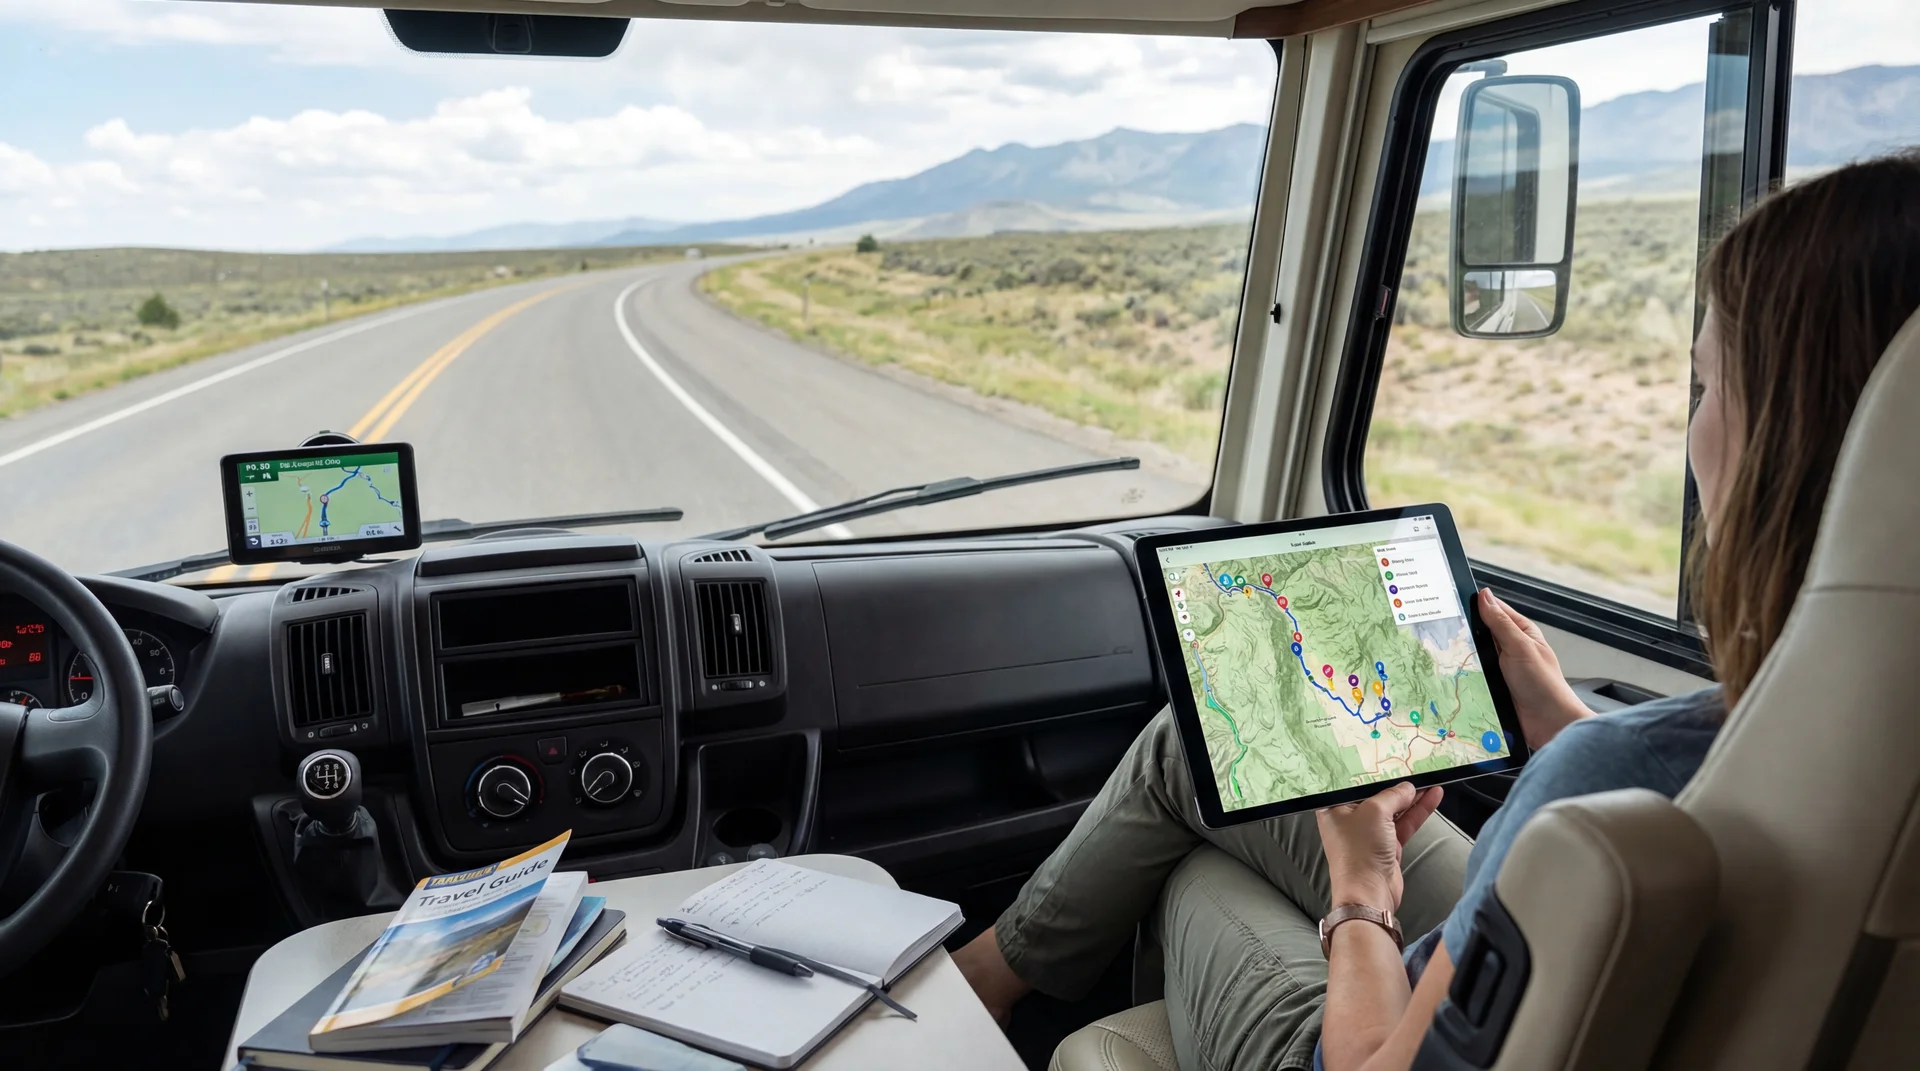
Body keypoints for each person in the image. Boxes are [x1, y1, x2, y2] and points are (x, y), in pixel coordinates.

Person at [953, 149, 1920, 1071]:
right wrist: (1567, 729)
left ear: (1793, 439)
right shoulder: (1829, 747)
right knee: (1195, 748)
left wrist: (1361, 889)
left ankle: (973, 998)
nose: (1692, 423)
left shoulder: (1627, 764)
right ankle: (987, 983)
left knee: (1204, 857)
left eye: (1709, 383)